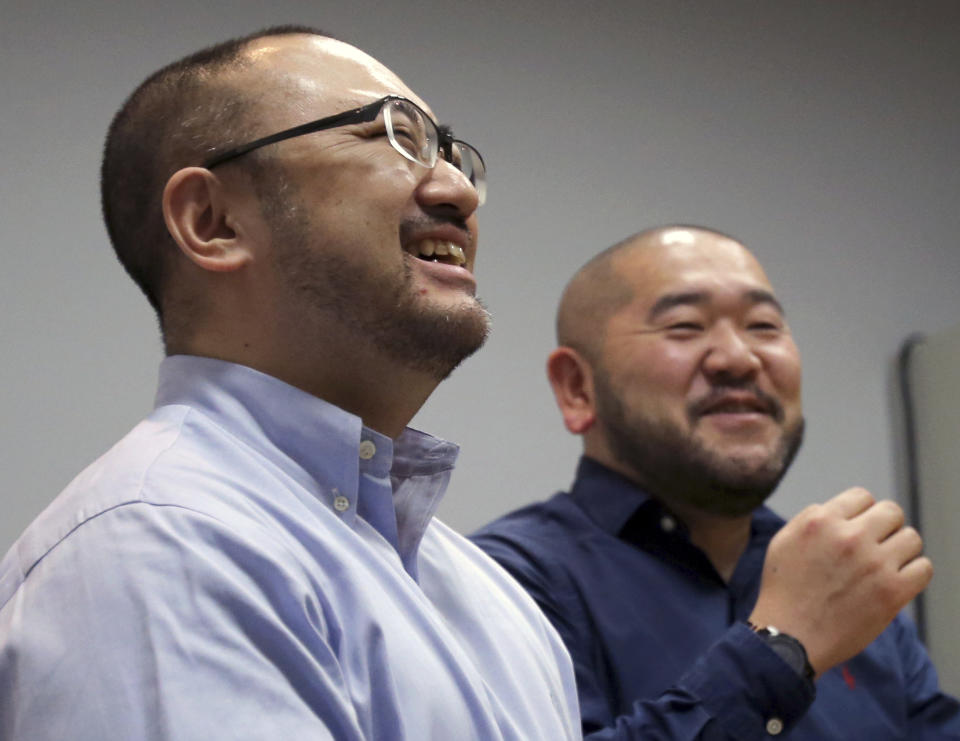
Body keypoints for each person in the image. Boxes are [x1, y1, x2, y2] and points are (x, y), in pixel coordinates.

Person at [0, 26, 581, 740]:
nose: (460, 190)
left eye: (453, 155)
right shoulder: (160, 546)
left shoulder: (492, 600)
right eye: (393, 136)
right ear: (212, 222)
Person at [473, 225, 960, 739]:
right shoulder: (505, 584)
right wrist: (782, 645)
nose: (739, 358)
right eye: (685, 326)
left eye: (764, 326)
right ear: (577, 388)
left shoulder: (846, 577)